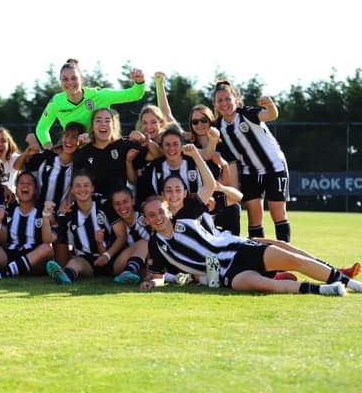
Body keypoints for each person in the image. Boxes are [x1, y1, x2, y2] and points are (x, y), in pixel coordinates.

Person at [139, 196, 362, 296]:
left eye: (161, 211)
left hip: (240, 249)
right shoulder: (156, 245)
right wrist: (152, 284)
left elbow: (209, 189)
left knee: (293, 260)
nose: (158, 217)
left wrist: (197, 156)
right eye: (151, 215)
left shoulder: (186, 218)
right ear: (146, 220)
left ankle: (351, 283)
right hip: (228, 273)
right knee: (266, 286)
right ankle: (325, 290)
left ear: (168, 211)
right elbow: (158, 275)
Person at [213, 80, 291, 241]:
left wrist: (270, 105)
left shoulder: (247, 114)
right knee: (254, 219)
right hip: (250, 172)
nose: (224, 103)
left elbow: (270, 115)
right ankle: (260, 261)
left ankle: (285, 262)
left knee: (278, 214)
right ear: (215, 104)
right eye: (220, 100)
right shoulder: (218, 127)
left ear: (235, 99)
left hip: (274, 167)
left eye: (228, 98)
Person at [34, 59, 146, 149]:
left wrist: (139, 82)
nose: (70, 83)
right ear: (60, 81)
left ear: (81, 79)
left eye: (74, 78)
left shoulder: (99, 96)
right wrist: (48, 147)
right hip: (76, 152)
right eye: (65, 79)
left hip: (103, 149)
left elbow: (135, 94)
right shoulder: (57, 102)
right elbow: (42, 128)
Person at [45, 170, 126, 284]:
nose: (82, 189)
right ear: (72, 190)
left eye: (86, 185)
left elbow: (122, 236)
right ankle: (65, 276)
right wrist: (45, 215)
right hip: (86, 262)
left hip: (112, 258)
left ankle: (129, 273)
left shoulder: (105, 204)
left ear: (92, 188)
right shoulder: (67, 214)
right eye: (77, 186)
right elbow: (50, 239)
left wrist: (107, 256)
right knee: (75, 262)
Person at [73, 108, 155, 199]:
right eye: (98, 120)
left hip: (120, 206)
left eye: (107, 120)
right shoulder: (83, 152)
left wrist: (145, 140)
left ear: (113, 125)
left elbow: (155, 155)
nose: (103, 124)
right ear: (92, 126)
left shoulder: (124, 145)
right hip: (93, 206)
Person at [188, 104, 241, 234]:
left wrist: (224, 166)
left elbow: (229, 187)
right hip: (197, 200)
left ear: (211, 121)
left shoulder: (224, 147)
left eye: (204, 120)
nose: (200, 124)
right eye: (195, 122)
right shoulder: (189, 146)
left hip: (219, 200)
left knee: (233, 207)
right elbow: (206, 154)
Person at [23, 122, 85, 208]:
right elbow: (21, 166)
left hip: (63, 216)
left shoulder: (80, 165)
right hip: (38, 214)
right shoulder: (48, 156)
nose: (69, 140)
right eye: (66, 135)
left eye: (74, 137)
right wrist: (30, 147)